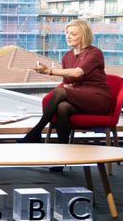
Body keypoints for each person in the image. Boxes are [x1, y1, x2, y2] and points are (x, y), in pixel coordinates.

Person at [18, 19, 112, 147]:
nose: (68, 36)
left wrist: (49, 71)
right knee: (62, 107)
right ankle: (63, 154)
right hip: (79, 99)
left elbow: (77, 73)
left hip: (98, 99)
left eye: (73, 34)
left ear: (83, 35)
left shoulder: (94, 53)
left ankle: (36, 131)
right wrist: (68, 87)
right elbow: (67, 82)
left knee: (60, 91)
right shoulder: (67, 57)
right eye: (67, 33)